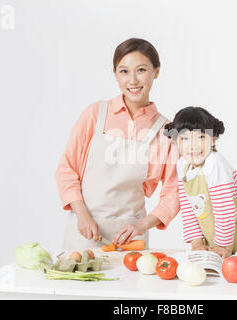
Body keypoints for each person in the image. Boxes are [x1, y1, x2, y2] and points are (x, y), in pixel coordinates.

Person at [56, 38, 180, 250]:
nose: (132, 80)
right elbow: (67, 170)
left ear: (156, 72)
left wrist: (142, 226)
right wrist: (83, 216)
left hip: (132, 237)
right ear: (115, 74)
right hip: (84, 231)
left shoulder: (167, 131)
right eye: (124, 71)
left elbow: (174, 192)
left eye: (141, 70)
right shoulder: (95, 114)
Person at [163, 107, 237, 258]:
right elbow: (188, 208)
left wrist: (223, 246)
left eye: (201, 137)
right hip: (216, 241)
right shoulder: (182, 165)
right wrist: (197, 243)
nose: (193, 146)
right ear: (175, 142)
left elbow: (225, 210)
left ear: (212, 139)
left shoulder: (215, 163)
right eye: (184, 138)